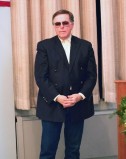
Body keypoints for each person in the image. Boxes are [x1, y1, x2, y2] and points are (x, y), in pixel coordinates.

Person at [34, 9, 97, 159]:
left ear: (72, 24)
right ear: (54, 26)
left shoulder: (85, 46)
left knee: (73, 150)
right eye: (57, 24)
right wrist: (57, 97)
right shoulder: (44, 46)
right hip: (52, 104)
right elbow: (40, 77)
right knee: (47, 151)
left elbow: (92, 76)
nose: (61, 26)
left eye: (65, 23)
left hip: (77, 104)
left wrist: (80, 96)